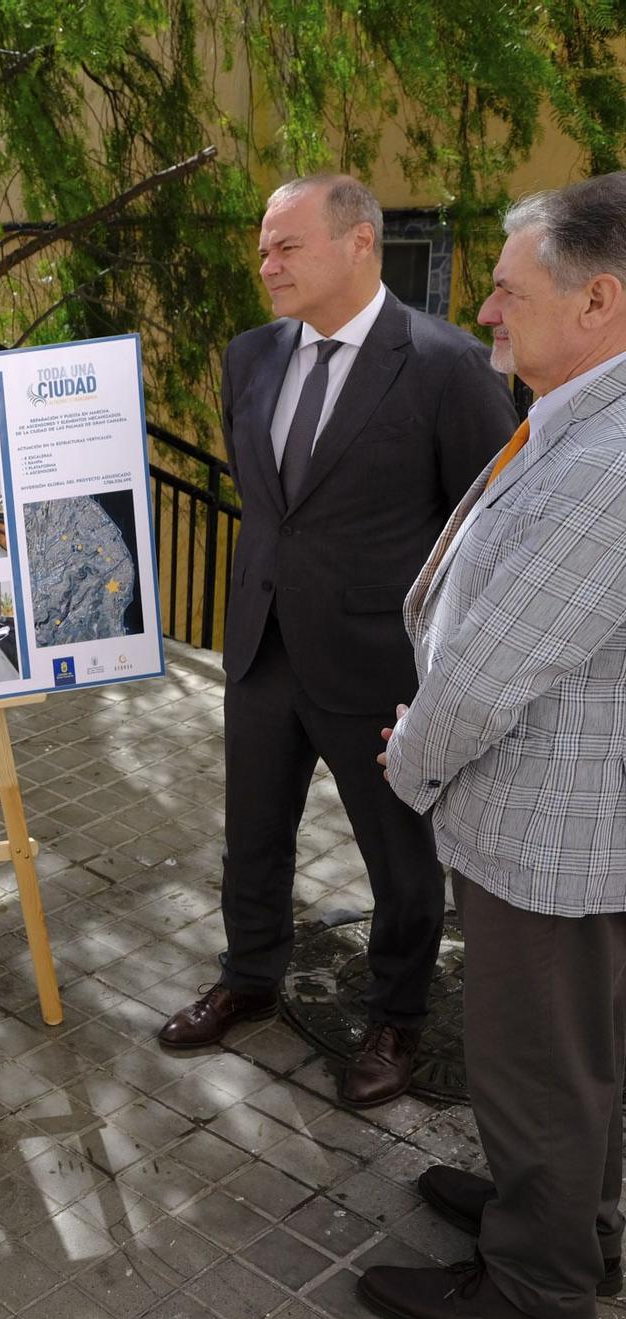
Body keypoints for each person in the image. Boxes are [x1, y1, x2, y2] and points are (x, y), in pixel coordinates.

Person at [157, 175, 516, 1108]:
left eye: (287, 247)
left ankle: (397, 1017)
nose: (265, 263)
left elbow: (487, 528)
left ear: (360, 243)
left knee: (399, 864)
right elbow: (275, 507)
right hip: (264, 649)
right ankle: (249, 979)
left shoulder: (447, 365)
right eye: (264, 247)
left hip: (378, 667)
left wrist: (448, 669)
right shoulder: (250, 356)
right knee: (253, 837)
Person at [361, 173, 626, 1319]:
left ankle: (534, 1287)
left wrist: (409, 760)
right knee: (576, 1061)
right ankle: (569, 1221)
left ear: (598, 299)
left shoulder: (606, 459)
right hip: (562, 817)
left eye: (509, 289)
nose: (483, 310)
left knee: (535, 1069)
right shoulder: (582, 412)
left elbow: (488, 667)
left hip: (551, 835)